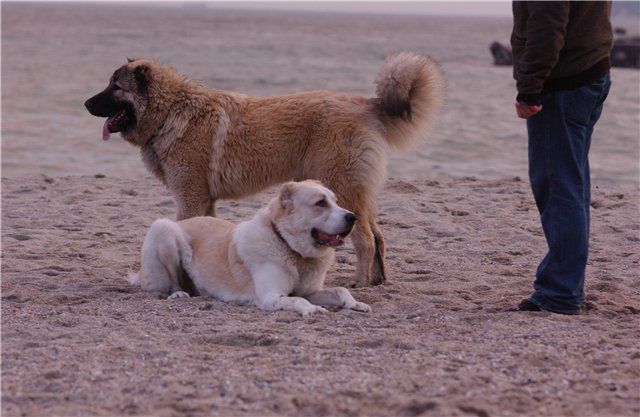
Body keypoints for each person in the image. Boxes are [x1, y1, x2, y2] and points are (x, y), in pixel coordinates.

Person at [510, 2, 613, 314]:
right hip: (590, 73)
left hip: (563, 84)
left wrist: (529, 88)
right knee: (572, 182)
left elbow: (547, 27)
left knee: (559, 187)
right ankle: (566, 286)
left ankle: (560, 293)